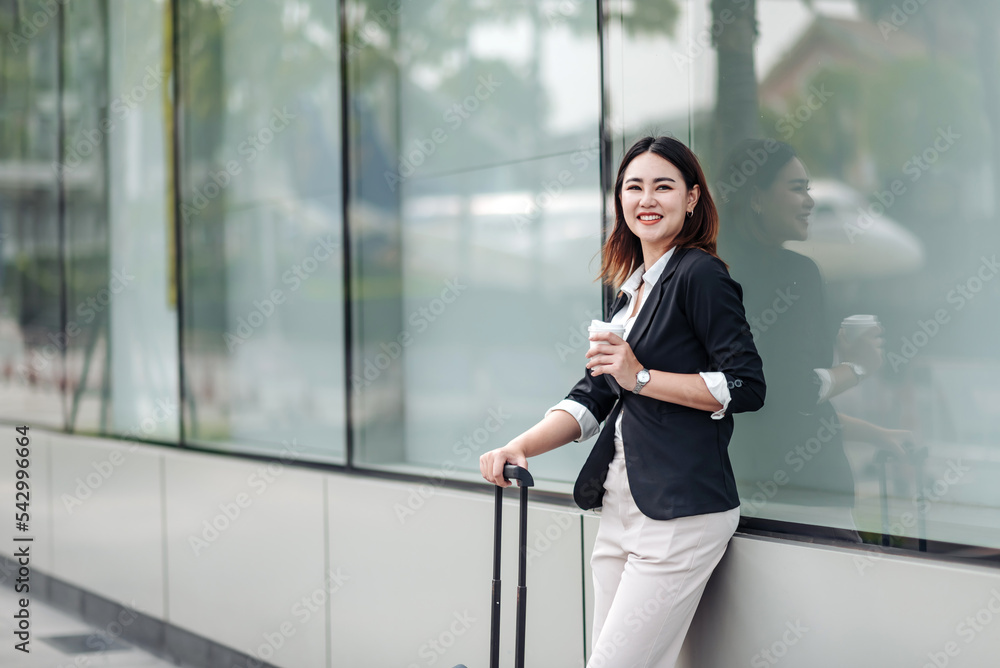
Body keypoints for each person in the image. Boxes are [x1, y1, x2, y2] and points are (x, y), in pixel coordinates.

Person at [480, 136, 766, 667]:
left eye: (664, 186)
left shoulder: (701, 275)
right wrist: (520, 446)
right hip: (620, 506)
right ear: (620, 203)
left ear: (692, 197)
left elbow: (746, 384)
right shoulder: (629, 290)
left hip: (681, 512)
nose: (647, 199)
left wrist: (640, 377)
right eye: (634, 187)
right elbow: (594, 392)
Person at [717, 138, 906, 538]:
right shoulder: (795, 274)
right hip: (807, 499)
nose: (810, 202)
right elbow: (793, 392)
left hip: (735, 493)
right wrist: (856, 368)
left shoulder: (706, 272)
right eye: (797, 188)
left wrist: (877, 434)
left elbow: (767, 407)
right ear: (756, 198)